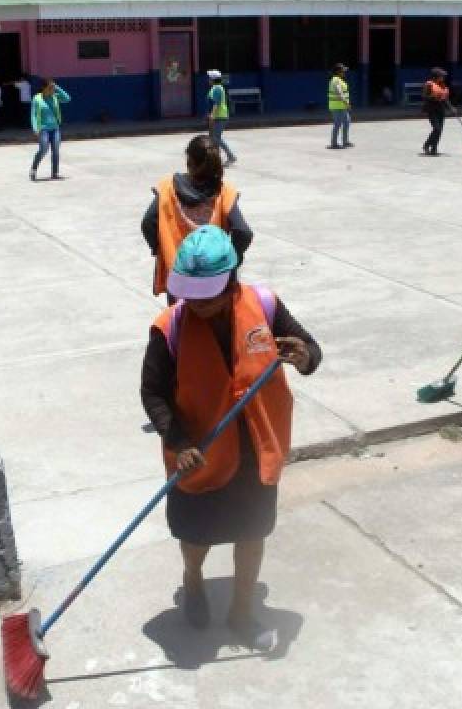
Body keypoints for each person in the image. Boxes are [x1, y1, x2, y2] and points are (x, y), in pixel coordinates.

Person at [139, 225, 322, 651]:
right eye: (190, 294)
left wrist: (306, 356)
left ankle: (242, 612)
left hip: (256, 446)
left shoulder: (265, 305)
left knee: (251, 531)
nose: (196, 304)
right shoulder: (171, 326)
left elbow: (309, 347)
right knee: (197, 534)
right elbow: (153, 392)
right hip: (199, 452)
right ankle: (194, 579)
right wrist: (179, 440)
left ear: (231, 281)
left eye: (207, 295)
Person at [142, 134, 253, 302]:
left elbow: (148, 223)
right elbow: (243, 232)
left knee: (180, 323)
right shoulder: (223, 192)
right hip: (215, 278)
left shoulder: (168, 187)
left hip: (179, 274)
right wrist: (231, 260)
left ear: (189, 161)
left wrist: (161, 249)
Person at [30, 78, 70, 181]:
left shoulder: (55, 97)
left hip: (55, 128)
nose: (52, 90)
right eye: (50, 88)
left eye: (53, 88)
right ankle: (33, 170)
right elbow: (34, 115)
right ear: (43, 88)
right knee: (43, 150)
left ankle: (55, 173)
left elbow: (67, 98)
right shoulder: (37, 98)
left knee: (56, 151)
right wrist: (35, 128)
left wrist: (57, 87)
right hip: (43, 129)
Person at [206, 69, 237, 166]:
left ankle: (231, 156)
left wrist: (212, 115)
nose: (208, 80)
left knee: (216, 138)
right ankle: (215, 159)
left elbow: (216, 103)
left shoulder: (217, 88)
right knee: (214, 138)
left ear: (212, 79)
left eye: (209, 78)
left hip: (220, 116)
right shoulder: (217, 87)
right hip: (218, 116)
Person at [422, 67, 449, 156]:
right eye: (441, 76)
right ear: (436, 76)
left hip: (441, 110)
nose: (443, 77)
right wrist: (432, 97)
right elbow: (424, 96)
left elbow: (445, 99)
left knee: (439, 130)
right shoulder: (429, 84)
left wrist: (451, 107)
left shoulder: (443, 85)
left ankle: (434, 148)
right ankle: (426, 145)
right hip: (432, 109)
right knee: (436, 129)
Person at [327, 63, 352, 150]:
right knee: (337, 124)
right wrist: (346, 102)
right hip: (338, 106)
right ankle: (334, 143)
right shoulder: (336, 80)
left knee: (347, 122)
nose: (344, 72)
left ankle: (345, 141)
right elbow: (339, 92)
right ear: (338, 72)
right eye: (343, 71)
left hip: (341, 106)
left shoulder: (339, 79)